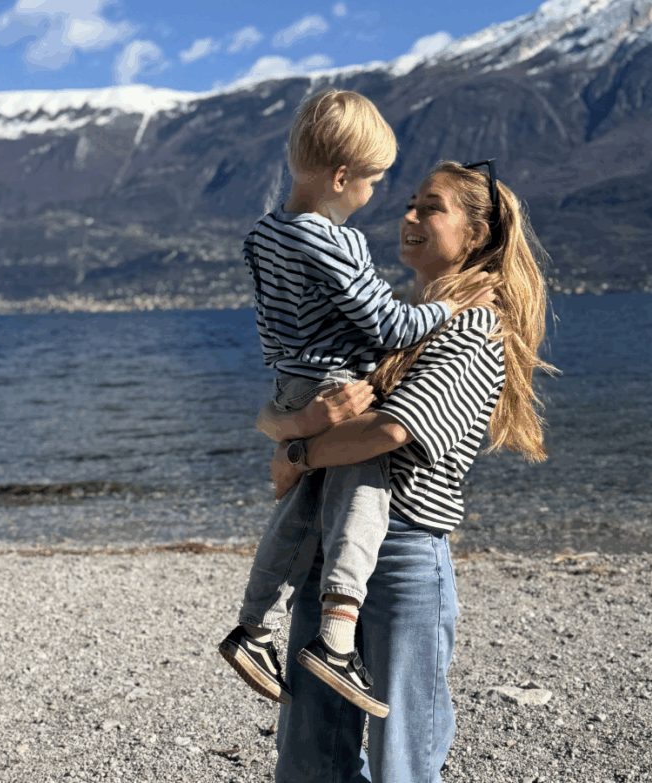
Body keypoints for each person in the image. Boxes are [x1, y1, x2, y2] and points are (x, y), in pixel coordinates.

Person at [261, 160, 556, 782]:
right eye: (411, 203)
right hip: (333, 545)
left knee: (403, 757)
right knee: (309, 750)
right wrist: (292, 431)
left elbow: (392, 431)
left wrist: (299, 454)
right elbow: (304, 404)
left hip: (401, 556)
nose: (410, 216)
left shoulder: (476, 327)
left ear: (476, 235)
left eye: (432, 206)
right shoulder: (397, 322)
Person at [218, 90, 480, 718]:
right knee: (366, 498)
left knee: (301, 506)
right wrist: (448, 308)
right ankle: (336, 637)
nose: (376, 197)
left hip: (289, 381)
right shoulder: (339, 243)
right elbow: (388, 325)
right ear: (341, 176)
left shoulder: (260, 237)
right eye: (372, 181)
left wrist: (292, 426)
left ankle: (252, 625)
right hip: (340, 386)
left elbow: (270, 325)